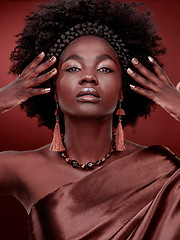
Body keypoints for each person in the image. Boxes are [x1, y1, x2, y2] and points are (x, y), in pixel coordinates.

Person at [0, 0, 180, 239]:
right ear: (53, 88)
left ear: (122, 91)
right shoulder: (20, 168)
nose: (88, 77)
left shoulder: (164, 169)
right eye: (73, 68)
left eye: (104, 69)